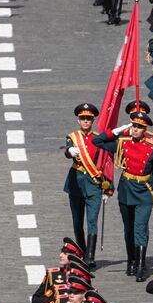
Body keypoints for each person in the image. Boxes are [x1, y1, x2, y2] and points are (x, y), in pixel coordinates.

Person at [92, 112, 153, 279]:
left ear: (145, 129)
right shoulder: (121, 143)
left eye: (139, 127)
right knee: (129, 229)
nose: (135, 129)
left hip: (144, 191)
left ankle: (140, 266)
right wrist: (116, 131)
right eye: (133, 125)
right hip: (126, 190)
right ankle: (131, 261)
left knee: (140, 228)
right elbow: (98, 141)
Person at [63, 103, 108, 266]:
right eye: (83, 118)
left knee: (92, 221)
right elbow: (68, 150)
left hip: (93, 184)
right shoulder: (73, 137)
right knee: (77, 221)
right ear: (78, 120)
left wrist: (107, 186)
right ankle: (81, 250)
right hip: (76, 183)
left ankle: (90, 256)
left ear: (93, 120)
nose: (86, 121)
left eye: (88, 118)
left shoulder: (98, 138)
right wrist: (70, 152)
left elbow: (106, 163)